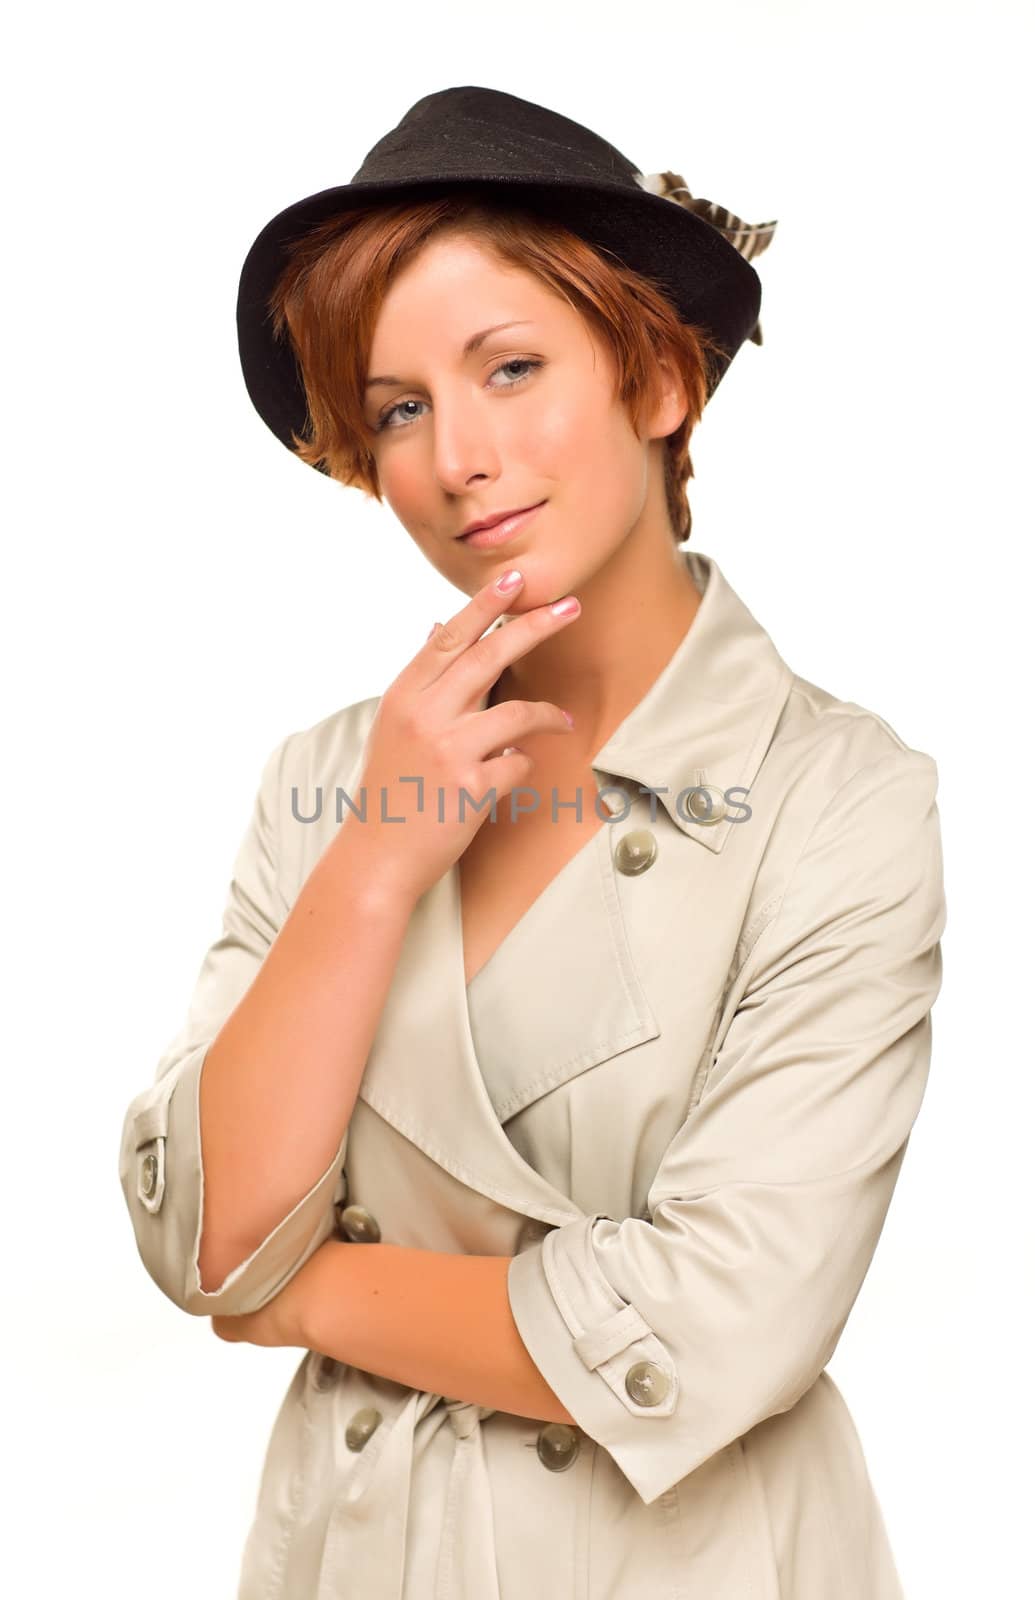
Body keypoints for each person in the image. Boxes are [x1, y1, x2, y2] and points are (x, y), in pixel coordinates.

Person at [118, 85, 947, 1598]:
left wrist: (297, 1300)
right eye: (400, 409)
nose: (459, 459)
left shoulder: (840, 799)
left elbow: (714, 1328)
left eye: (511, 367)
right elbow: (206, 1229)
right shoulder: (329, 780)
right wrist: (376, 858)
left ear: (657, 378)